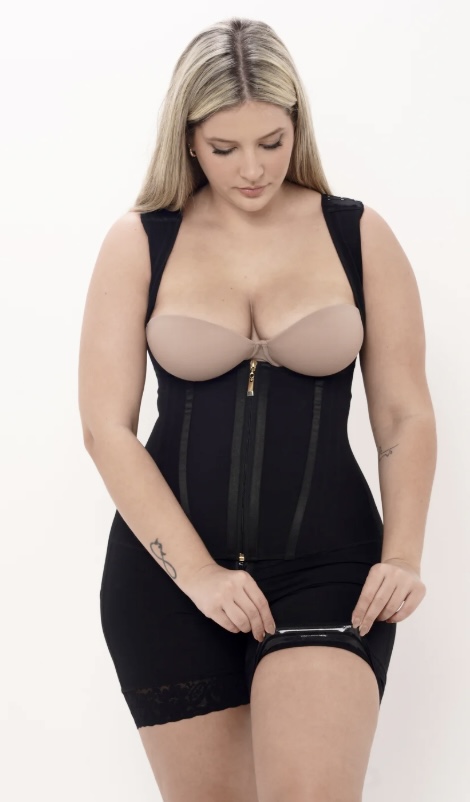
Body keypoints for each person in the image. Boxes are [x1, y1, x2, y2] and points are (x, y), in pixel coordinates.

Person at [78, 17, 437, 802]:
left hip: (329, 567)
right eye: (224, 147)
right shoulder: (141, 242)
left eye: (272, 142)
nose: (252, 168)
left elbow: (404, 413)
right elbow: (106, 428)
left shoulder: (356, 234)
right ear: (188, 138)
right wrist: (201, 575)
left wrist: (404, 554)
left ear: (297, 125)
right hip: (168, 578)